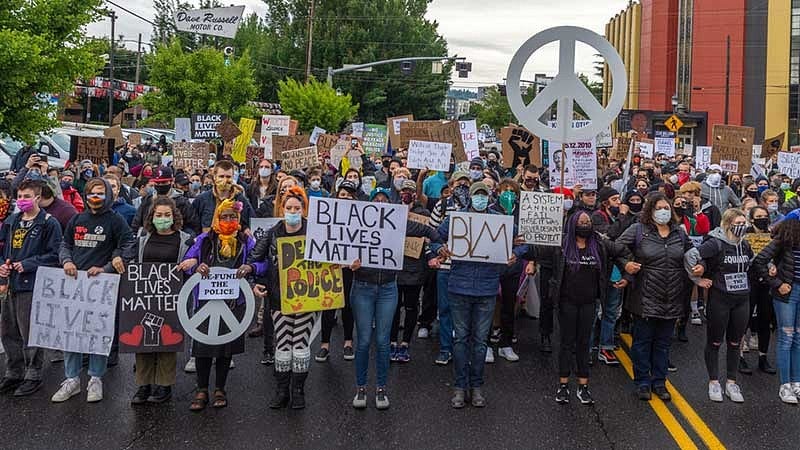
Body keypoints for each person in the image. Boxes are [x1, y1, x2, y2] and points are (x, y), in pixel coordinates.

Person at [430, 182, 525, 409]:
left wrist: (515, 253)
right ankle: (460, 386)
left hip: (487, 288)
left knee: (480, 342)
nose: (480, 199)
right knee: (461, 339)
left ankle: (477, 385)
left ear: (488, 197)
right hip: (459, 287)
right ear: (471, 197)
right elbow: (434, 237)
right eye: (477, 195)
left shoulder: (499, 221)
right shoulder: (456, 219)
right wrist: (438, 249)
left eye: (484, 195)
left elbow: (523, 242)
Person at [523, 211, 631, 404]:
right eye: (581, 222)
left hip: (589, 303)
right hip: (566, 303)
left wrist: (627, 272)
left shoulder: (600, 244)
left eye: (588, 222)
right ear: (573, 224)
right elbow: (536, 251)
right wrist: (520, 246)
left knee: (583, 344)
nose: (585, 224)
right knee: (566, 343)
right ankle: (563, 385)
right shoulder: (561, 245)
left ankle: (583, 386)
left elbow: (623, 252)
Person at [350, 187, 444, 410]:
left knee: (383, 341)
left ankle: (381, 389)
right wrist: (348, 264)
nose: (381, 204)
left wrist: (438, 247)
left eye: (385, 201)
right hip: (362, 287)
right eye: (376, 200)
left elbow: (430, 232)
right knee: (363, 341)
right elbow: (337, 249)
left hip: (388, 288)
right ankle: (361, 388)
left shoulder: (399, 224)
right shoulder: (355, 225)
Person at [53, 178, 134, 403]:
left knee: (98, 333)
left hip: (101, 286)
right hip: (75, 285)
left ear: (108, 195)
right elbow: (65, 243)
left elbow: (128, 244)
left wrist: (108, 266)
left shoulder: (116, 220)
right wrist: (66, 260)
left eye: (100, 193)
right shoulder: (77, 219)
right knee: (72, 332)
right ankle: (71, 380)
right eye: (91, 193)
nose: (95, 198)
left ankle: (95, 378)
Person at [179, 199, 265, 411]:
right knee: (202, 346)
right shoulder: (204, 239)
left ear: (239, 219)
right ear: (217, 218)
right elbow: (188, 260)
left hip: (233, 302)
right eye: (224, 216)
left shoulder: (247, 241)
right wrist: (196, 266)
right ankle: (201, 389)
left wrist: (251, 267)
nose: (228, 220)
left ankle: (220, 388)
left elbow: (263, 262)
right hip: (206, 301)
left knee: (226, 347)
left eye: (232, 217)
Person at [616, 192, 692, 401]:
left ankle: (659, 381)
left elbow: (691, 254)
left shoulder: (679, 233)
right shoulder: (639, 230)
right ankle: (642, 381)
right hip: (645, 295)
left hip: (673, 295)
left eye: (666, 208)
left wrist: (700, 267)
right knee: (642, 341)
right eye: (659, 208)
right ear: (650, 210)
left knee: (663, 342)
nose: (664, 212)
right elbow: (616, 248)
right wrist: (626, 265)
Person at [249, 187, 320, 409]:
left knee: (299, 343)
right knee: (283, 343)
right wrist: (255, 282)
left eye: (296, 208)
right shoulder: (272, 233)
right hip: (279, 297)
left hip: (307, 297)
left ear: (303, 209)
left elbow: (330, 257)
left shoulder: (315, 232)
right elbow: (255, 259)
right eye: (288, 208)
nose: (292, 211)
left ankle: (298, 391)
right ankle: (282, 391)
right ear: (282, 209)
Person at [0, 180, 63, 397]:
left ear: (37, 197)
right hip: (11, 285)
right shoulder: (12, 221)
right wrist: (3, 265)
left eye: (27, 196)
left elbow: (55, 255)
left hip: (33, 284)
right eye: (19, 196)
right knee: (8, 330)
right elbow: (2, 247)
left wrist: (29, 264)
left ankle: (33, 373)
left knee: (30, 331)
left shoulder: (48, 223)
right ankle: (13, 370)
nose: (22, 201)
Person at [684, 209, 753, 403]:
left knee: (735, 342)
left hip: (742, 299)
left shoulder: (745, 244)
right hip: (720, 299)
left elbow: (752, 264)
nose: (742, 226)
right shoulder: (716, 243)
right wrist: (696, 278)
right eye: (738, 222)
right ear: (728, 223)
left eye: (744, 222)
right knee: (715, 342)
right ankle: (713, 381)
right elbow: (691, 256)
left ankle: (731, 382)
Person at [131, 197, 193, 405]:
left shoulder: (184, 240)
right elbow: (132, 260)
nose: (163, 219)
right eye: (159, 215)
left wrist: (190, 264)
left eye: (167, 215)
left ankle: (164, 385)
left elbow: (193, 265)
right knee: (144, 341)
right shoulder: (142, 237)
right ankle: (143, 384)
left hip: (171, 297)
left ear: (174, 216)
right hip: (145, 297)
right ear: (152, 216)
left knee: (167, 340)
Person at [752, 210, 800, 404]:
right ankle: (785, 385)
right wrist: (777, 283)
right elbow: (760, 261)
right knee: (786, 338)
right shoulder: (783, 241)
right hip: (787, 294)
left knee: (798, 338)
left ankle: (797, 382)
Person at [316, 181, 358, 363]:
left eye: (349, 195)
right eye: (343, 194)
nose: (346, 198)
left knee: (348, 307)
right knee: (328, 307)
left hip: (349, 269)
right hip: (330, 268)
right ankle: (324, 345)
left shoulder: (359, 218)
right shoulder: (326, 215)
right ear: (336, 196)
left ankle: (348, 343)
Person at [390, 180, 430, 363]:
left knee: (411, 307)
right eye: (404, 190)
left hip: (415, 268)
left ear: (415, 194)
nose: (406, 194)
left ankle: (405, 343)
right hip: (396, 267)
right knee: (394, 307)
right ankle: (391, 342)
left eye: (410, 191)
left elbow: (429, 237)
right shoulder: (391, 212)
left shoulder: (423, 214)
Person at [742, 206, 776, 374]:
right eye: (759, 216)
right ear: (752, 219)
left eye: (765, 215)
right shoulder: (744, 234)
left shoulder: (773, 234)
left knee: (765, 319)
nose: (763, 218)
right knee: (744, 319)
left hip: (766, 282)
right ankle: (739, 356)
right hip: (748, 281)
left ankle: (763, 357)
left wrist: (773, 268)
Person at [132, 166, 199, 236]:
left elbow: (194, 225)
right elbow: (136, 224)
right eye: (158, 183)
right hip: (150, 240)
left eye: (164, 182)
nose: (160, 185)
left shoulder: (182, 202)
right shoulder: (148, 200)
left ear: (171, 181)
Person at [191, 161, 254, 233]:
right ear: (214, 177)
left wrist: (246, 229)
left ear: (233, 177)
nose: (225, 180)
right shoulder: (202, 199)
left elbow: (250, 221)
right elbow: (193, 224)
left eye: (228, 177)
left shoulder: (240, 199)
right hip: (208, 241)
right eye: (221, 176)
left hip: (233, 241)